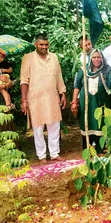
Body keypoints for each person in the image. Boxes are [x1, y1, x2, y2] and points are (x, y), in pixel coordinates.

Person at [20, 34, 67, 164]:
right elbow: (24, 80)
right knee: (38, 127)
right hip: (35, 98)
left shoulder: (54, 57)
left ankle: (54, 153)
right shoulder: (28, 58)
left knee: (54, 125)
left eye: (46, 44)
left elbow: (58, 77)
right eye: (41, 44)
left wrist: (62, 93)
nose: (44, 47)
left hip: (52, 97)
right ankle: (41, 156)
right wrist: (24, 100)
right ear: (35, 44)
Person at [71, 49, 111, 153]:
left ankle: (100, 148)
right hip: (86, 103)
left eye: (98, 57)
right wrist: (74, 101)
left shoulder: (106, 69)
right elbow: (77, 86)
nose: (96, 59)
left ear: (102, 58)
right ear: (90, 58)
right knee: (86, 123)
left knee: (100, 124)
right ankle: (88, 148)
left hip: (101, 103)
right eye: (94, 57)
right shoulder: (84, 69)